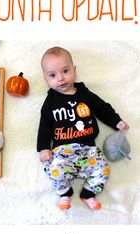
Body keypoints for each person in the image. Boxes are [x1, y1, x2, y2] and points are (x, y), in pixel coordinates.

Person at [37, 46, 129, 211]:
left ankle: (88, 192)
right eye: (52, 75)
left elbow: (102, 108)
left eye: (65, 71)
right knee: (53, 170)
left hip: (89, 151)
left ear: (74, 70)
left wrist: (116, 121)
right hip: (62, 152)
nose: (60, 78)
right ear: (45, 79)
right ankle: (65, 192)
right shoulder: (51, 101)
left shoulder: (85, 94)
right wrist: (43, 147)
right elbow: (44, 124)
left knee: (104, 170)